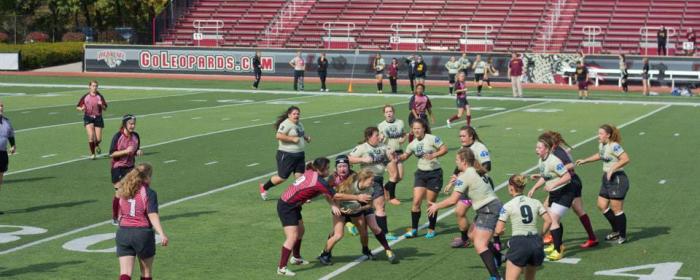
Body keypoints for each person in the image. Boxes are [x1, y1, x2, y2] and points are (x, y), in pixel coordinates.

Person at [275, 157, 371, 276]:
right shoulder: (319, 182)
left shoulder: (311, 171)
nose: (329, 170)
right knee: (292, 236)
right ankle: (281, 268)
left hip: (293, 204)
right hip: (287, 206)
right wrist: (358, 198)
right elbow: (336, 196)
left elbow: (306, 176)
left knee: (301, 231)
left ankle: (296, 257)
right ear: (322, 169)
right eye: (328, 168)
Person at [427, 148, 502, 279]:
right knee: (472, 235)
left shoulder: (466, 175)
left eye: (457, 160)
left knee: (480, 244)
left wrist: (436, 205)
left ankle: (496, 276)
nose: (456, 163)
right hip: (489, 206)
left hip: (488, 209)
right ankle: (499, 256)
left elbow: (453, 200)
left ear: (464, 161)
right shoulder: (476, 171)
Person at [318, 168, 398, 265]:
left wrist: (358, 209)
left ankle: (367, 250)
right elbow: (336, 196)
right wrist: (338, 207)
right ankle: (325, 254)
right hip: (341, 210)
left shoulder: (370, 189)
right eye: (371, 180)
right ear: (363, 179)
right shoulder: (349, 185)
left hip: (357, 210)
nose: (373, 183)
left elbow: (370, 205)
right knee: (337, 234)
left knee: (364, 232)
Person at [540, 131, 598, 248]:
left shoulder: (557, 152)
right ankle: (591, 237)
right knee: (577, 209)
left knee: (547, 210)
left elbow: (571, 165)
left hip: (569, 183)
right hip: (570, 182)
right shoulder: (555, 151)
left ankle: (556, 239)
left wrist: (554, 173)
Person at [576, 124, 631, 244]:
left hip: (617, 179)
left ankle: (622, 235)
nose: (598, 136)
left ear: (608, 135)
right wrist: (585, 160)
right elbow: (600, 155)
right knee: (601, 205)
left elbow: (625, 159)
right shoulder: (602, 145)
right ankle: (616, 231)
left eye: (601, 133)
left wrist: (612, 169)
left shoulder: (614, 146)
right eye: (598, 133)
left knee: (617, 209)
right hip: (607, 178)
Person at [115, 163, 168, 280]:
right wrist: (161, 233)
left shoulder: (122, 190)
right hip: (142, 233)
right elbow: (152, 214)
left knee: (125, 273)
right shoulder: (149, 192)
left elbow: (119, 211)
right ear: (147, 177)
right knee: (146, 272)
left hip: (123, 232)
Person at [443, 126, 493, 248]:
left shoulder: (480, 148)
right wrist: (452, 180)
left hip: (479, 187)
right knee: (459, 212)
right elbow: (459, 166)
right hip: (467, 187)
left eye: (463, 136)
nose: (461, 138)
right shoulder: (463, 148)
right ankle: (464, 239)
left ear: (471, 136)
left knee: (485, 216)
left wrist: (470, 174)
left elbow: (487, 166)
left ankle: (494, 241)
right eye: (460, 136)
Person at [495, 175, 551, 280]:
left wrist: (499, 233)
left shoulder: (508, 205)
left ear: (511, 187)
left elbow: (498, 230)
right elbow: (549, 221)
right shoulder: (535, 202)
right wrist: (541, 235)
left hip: (519, 243)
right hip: (536, 243)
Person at [400, 119, 448, 239]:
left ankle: (431, 228)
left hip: (434, 174)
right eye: (414, 128)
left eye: (418, 128)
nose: (416, 130)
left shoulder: (432, 138)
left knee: (430, 203)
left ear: (424, 129)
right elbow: (405, 156)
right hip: (421, 174)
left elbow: (444, 149)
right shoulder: (412, 144)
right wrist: (396, 158)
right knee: (416, 202)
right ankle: (414, 230)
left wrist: (434, 155)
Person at [349, 127, 399, 241]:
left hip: (378, 179)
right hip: (369, 180)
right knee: (380, 206)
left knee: (369, 206)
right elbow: (348, 158)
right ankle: (385, 233)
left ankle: (352, 224)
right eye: (376, 135)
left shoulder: (382, 146)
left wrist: (393, 156)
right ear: (369, 137)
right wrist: (363, 160)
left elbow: (390, 155)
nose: (379, 137)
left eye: (379, 135)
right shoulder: (362, 148)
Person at [526, 137, 572, 261]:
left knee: (552, 219)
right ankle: (559, 244)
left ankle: (558, 250)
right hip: (554, 194)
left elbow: (567, 176)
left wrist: (553, 185)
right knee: (553, 219)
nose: (537, 150)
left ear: (547, 149)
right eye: (536, 147)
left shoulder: (554, 161)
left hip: (564, 192)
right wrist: (534, 188)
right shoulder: (541, 160)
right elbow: (546, 176)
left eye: (539, 147)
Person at [260, 106, 311, 200]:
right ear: (289, 115)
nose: (296, 115)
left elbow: (300, 134)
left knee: (300, 176)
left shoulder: (299, 124)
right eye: (294, 114)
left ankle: (302, 195)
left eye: (298, 114)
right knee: (282, 177)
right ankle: (264, 187)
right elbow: (278, 135)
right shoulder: (286, 124)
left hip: (299, 154)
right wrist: (291, 139)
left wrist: (306, 137)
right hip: (287, 154)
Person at [109, 114, 143, 225]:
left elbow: (136, 149)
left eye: (134, 124)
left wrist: (138, 151)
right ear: (124, 124)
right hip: (118, 167)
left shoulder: (136, 136)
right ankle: (115, 217)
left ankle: (127, 214)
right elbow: (111, 154)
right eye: (130, 124)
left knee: (131, 192)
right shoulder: (118, 136)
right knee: (119, 193)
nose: (132, 126)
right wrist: (125, 151)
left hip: (130, 167)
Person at [378, 105, 406, 205]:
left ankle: (385, 187)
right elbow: (379, 140)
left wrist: (403, 138)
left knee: (400, 176)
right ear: (384, 114)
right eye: (387, 112)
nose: (389, 113)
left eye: (390, 111)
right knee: (394, 175)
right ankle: (392, 197)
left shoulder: (400, 122)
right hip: (388, 154)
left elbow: (403, 134)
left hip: (399, 152)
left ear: (393, 112)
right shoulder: (381, 125)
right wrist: (380, 139)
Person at [327, 155, 359, 236]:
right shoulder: (333, 177)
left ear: (349, 166)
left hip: (351, 202)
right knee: (336, 232)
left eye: (344, 166)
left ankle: (349, 223)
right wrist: (333, 205)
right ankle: (327, 247)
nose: (342, 169)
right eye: (340, 166)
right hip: (338, 204)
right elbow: (326, 193)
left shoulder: (354, 176)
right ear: (336, 168)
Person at [76, 80, 108, 160]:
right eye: (93, 86)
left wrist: (102, 105)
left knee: (98, 139)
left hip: (98, 118)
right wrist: (81, 109)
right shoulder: (85, 96)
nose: (94, 87)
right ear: (89, 87)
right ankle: (93, 154)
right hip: (88, 117)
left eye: (96, 86)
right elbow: (77, 107)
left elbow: (105, 108)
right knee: (91, 136)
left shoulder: (100, 96)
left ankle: (96, 144)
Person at [0, 101, 16, 215]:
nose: (1, 108)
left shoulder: (6, 121)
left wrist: (13, 145)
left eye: (1, 106)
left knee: (0, 180)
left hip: (2, 153)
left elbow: (10, 135)